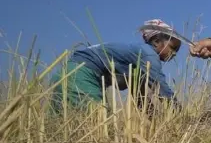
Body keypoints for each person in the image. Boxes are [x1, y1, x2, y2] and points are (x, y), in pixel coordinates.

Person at [51, 19, 181, 114]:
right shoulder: (148, 54)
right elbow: (160, 87)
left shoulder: (137, 62)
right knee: (98, 128)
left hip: (67, 74)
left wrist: (157, 120)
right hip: (81, 77)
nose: (174, 53)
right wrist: (180, 112)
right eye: (172, 48)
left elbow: (140, 99)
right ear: (157, 41)